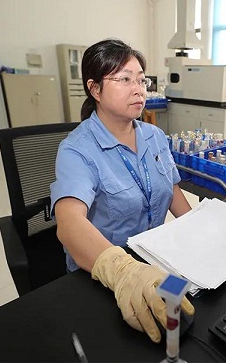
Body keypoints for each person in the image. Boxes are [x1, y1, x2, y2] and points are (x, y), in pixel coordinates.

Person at [50, 38, 194, 343]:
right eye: (125, 79)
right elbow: (69, 222)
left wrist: (198, 232)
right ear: (95, 89)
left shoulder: (155, 136)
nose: (138, 89)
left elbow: (173, 191)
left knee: (190, 324)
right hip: (104, 272)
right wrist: (122, 270)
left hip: (156, 258)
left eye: (141, 80)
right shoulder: (76, 150)